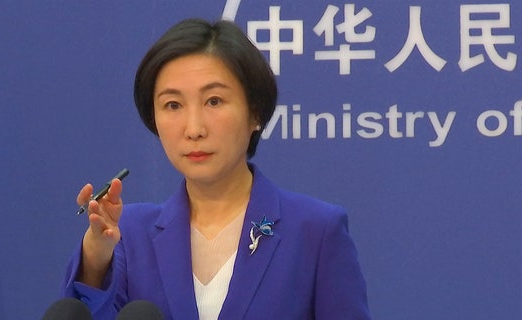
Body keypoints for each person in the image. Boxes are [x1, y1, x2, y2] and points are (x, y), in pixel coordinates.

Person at [62, 18, 371, 319]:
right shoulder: (129, 233)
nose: (194, 128)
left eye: (213, 101)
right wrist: (96, 256)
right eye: (173, 105)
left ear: (255, 113)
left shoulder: (315, 230)